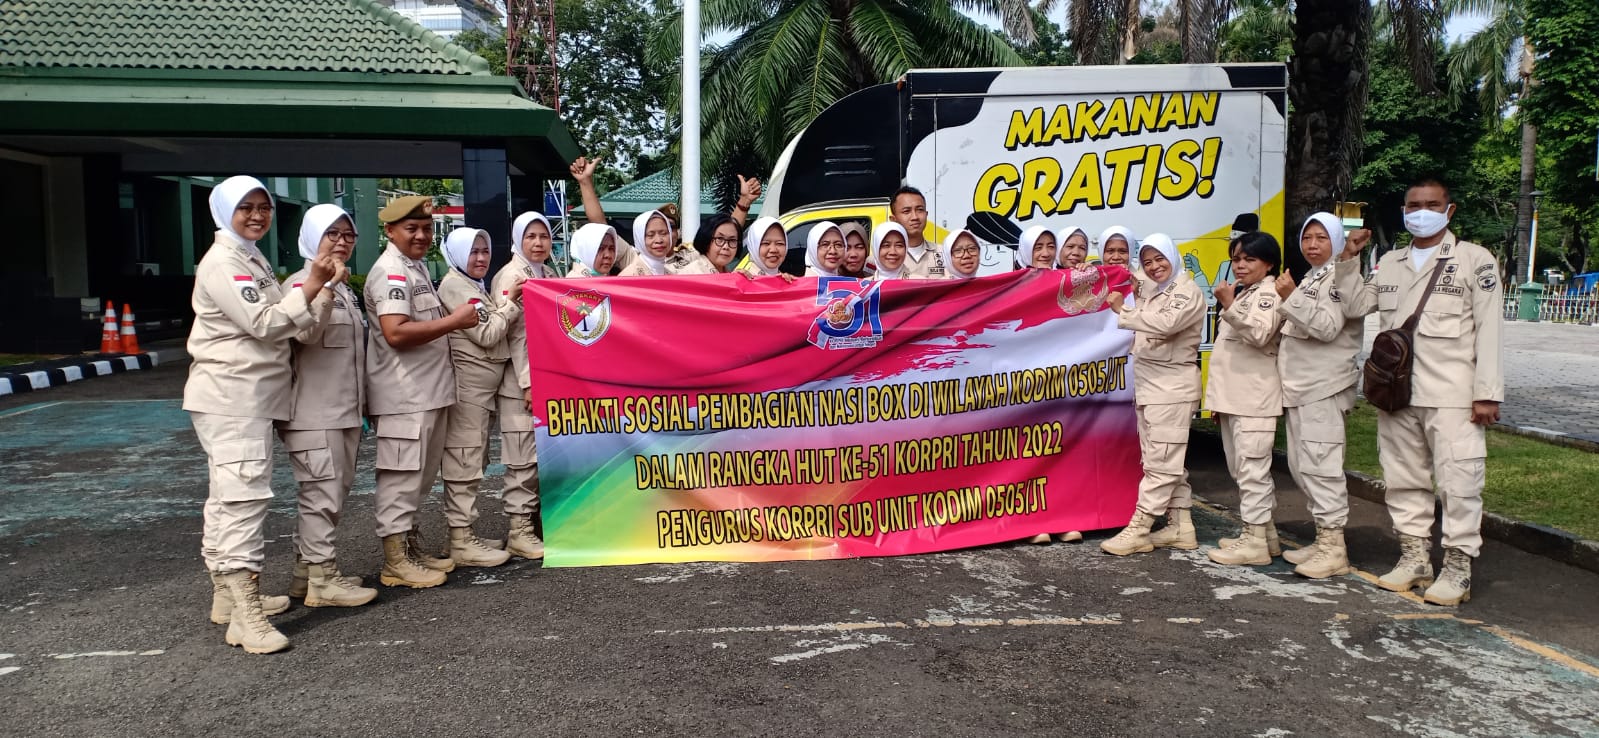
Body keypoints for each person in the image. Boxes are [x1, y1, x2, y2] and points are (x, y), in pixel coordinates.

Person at [185, 175, 339, 653]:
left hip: (250, 397)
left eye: (264, 207)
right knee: (243, 498)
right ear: (224, 211)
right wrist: (312, 283)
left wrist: (316, 292)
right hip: (234, 397)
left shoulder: (250, 258)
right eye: (246, 207)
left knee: (226, 496)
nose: (257, 215)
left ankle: (227, 600)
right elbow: (265, 323)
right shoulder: (225, 263)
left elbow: (288, 323)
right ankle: (245, 615)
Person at [1349, 178, 1503, 606]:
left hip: (1452, 393)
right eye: (1413, 205)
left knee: (1459, 484)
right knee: (1403, 480)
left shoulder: (1475, 260)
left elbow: (1489, 330)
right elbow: (1355, 305)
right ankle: (1415, 558)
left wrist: (1486, 392)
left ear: (1449, 211)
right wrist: (1348, 259)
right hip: (1397, 392)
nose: (1421, 211)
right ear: (1403, 211)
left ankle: (1458, 568)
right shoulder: (1391, 263)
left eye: (1432, 204)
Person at [365, 195, 481, 588]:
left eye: (427, 228)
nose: (421, 235)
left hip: (427, 393)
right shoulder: (391, 273)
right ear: (390, 230)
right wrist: (454, 321)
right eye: (411, 228)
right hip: (404, 397)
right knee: (400, 478)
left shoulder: (412, 269)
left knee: (418, 478)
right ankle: (395, 560)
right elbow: (395, 332)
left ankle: (410, 548)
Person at [279, 204, 377, 610]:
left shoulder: (344, 288)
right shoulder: (300, 285)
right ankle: (323, 578)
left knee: (332, 493)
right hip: (312, 413)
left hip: (343, 411)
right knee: (321, 496)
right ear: (311, 238)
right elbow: (306, 335)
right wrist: (324, 288)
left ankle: (307, 573)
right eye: (331, 234)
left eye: (348, 235)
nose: (341, 242)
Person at [1272, 214, 1371, 579]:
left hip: (1324, 387)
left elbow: (1327, 328)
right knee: (1302, 466)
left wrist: (1290, 297)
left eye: (1321, 238)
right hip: (1301, 388)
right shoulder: (1314, 276)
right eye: (1307, 238)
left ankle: (1334, 548)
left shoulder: (1341, 278)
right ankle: (1323, 538)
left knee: (1321, 466)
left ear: (1335, 241)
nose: (1312, 245)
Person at [1100, 234, 1206, 556]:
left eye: (1160, 259)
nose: (1154, 266)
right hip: (1151, 389)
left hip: (1172, 390)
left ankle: (1140, 526)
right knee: (1164, 461)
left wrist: (1123, 311)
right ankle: (1180, 526)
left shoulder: (1186, 292)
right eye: (1147, 261)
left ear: (1172, 257)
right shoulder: (1154, 289)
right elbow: (1128, 275)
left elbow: (1167, 324)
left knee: (1162, 464)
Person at [438, 227, 527, 568]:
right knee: (464, 461)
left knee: (474, 460)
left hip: (482, 391)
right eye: (473, 252)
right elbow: (488, 333)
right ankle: (461, 540)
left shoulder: (472, 285)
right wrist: (511, 303)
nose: (480, 258)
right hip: (469, 390)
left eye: (485, 252)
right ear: (459, 255)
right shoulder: (455, 286)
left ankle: (466, 534)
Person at [1203, 231, 1286, 567]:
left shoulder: (1269, 294)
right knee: (1241, 469)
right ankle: (1265, 536)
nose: (1240, 265)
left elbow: (1260, 334)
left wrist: (1228, 305)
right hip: (1234, 398)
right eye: (1236, 258)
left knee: (1252, 470)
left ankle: (1254, 542)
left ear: (1268, 263)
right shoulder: (1246, 292)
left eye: (1250, 259)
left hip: (1254, 398)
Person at [488, 211, 555, 560]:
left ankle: (533, 525)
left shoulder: (547, 272)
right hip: (521, 384)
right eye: (531, 237)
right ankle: (519, 531)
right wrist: (529, 384)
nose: (539, 243)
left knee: (541, 457)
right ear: (518, 240)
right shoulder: (513, 275)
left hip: (545, 379)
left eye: (544, 236)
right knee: (523, 459)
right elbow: (517, 335)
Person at [891, 186, 945, 278]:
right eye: (906, 211)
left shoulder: (944, 253)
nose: (915, 217)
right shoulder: (883, 259)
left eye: (920, 210)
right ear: (893, 219)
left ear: (926, 214)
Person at [620, 209, 678, 277]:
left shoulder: (670, 275)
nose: (659, 240)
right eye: (650, 235)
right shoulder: (629, 276)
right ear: (640, 239)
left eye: (663, 233)